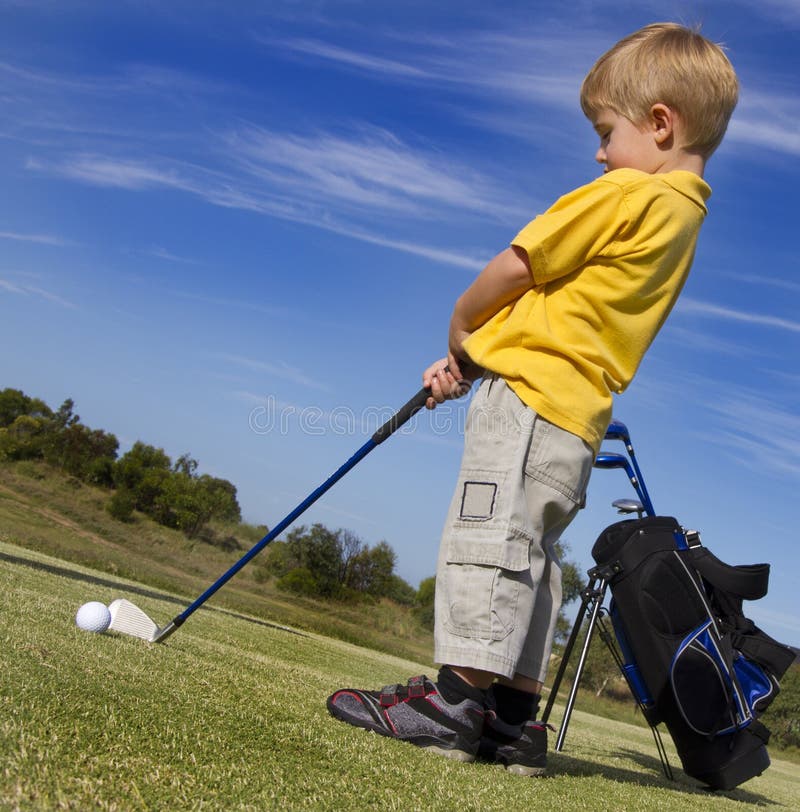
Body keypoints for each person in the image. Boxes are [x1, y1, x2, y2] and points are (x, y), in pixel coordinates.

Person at [327, 22, 739, 776]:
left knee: (486, 541)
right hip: (575, 421)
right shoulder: (685, 218)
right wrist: (477, 359)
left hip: (527, 404)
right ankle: (513, 719)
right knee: (533, 558)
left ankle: (452, 703)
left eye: (606, 131)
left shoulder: (626, 192)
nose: (599, 151)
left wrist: (460, 328)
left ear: (659, 124)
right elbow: (564, 309)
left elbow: (519, 266)